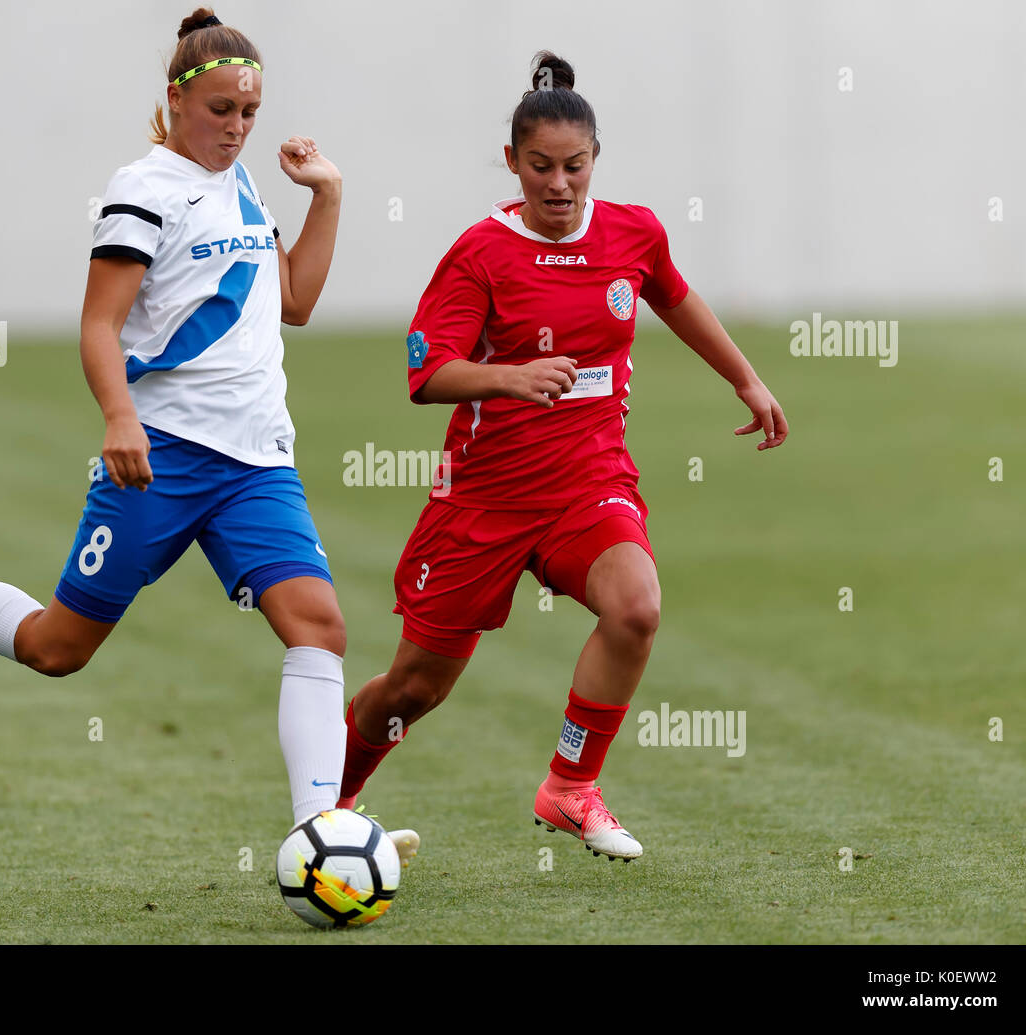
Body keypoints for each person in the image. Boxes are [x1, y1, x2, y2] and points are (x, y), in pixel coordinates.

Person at [0, 8, 391, 839]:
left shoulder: (241, 183)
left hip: (257, 465)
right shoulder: (142, 191)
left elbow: (295, 302)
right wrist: (120, 417)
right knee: (60, 647)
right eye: (221, 110)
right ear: (177, 99)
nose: (235, 128)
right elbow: (97, 325)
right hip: (158, 458)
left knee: (320, 626)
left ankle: (319, 834)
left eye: (249, 114)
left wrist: (329, 195)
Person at [336, 52, 788, 860]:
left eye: (574, 166)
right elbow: (427, 372)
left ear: (594, 161)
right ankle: (328, 799)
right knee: (414, 688)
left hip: (589, 481)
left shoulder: (632, 233)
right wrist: (508, 377)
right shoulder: (480, 253)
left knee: (637, 608)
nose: (559, 184)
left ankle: (571, 786)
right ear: (512, 162)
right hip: (486, 497)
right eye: (540, 166)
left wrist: (747, 380)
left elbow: (678, 299)